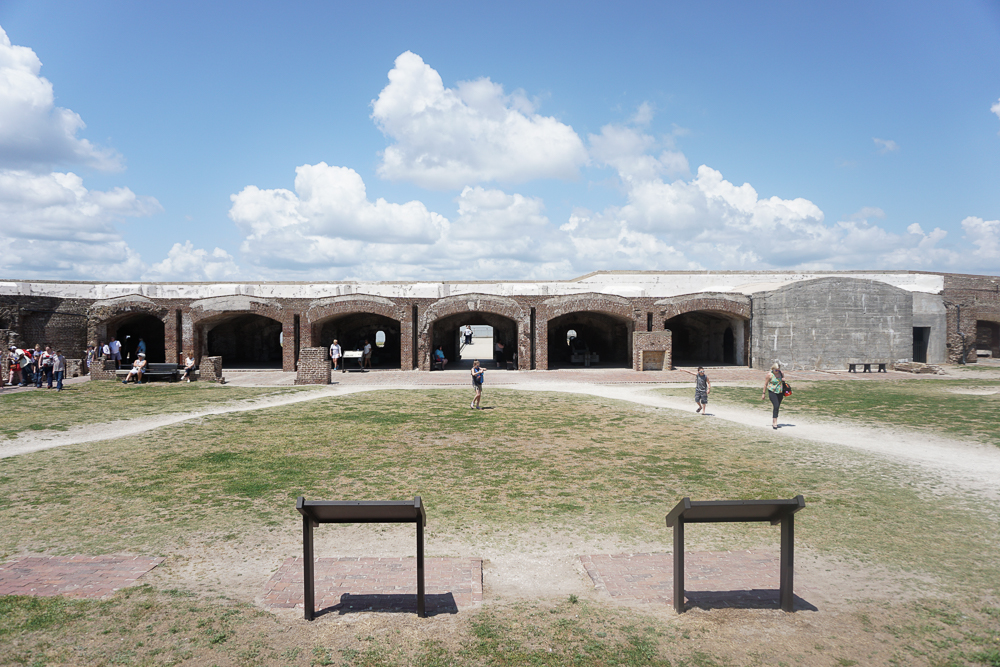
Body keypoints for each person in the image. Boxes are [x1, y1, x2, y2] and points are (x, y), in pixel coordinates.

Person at [762, 362, 785, 430]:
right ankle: (774, 423)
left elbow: (783, 380)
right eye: (776, 370)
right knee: (776, 405)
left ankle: (775, 421)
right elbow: (765, 384)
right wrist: (763, 393)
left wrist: (783, 379)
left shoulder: (781, 373)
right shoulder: (769, 375)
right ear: (773, 369)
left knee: (777, 407)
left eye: (778, 370)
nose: (777, 371)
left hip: (780, 392)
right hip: (772, 392)